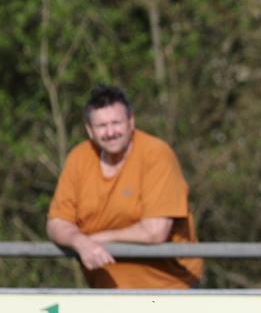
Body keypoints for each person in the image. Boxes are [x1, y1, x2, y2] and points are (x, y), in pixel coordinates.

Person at [47, 85, 202, 288]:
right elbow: (56, 223)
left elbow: (155, 231)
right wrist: (80, 242)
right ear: (89, 130)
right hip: (105, 293)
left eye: (116, 123)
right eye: (102, 126)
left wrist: (98, 239)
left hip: (169, 291)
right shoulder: (78, 158)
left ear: (131, 122)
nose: (110, 132)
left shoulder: (156, 154)